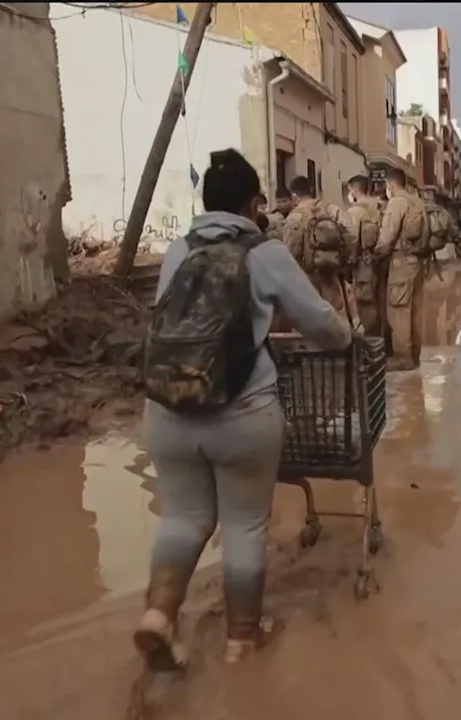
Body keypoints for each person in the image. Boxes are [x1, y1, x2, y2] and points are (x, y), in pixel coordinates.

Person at [136, 148, 352, 668]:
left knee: (184, 519)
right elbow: (319, 324)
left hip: (168, 410)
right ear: (254, 205)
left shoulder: (177, 251)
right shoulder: (265, 253)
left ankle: (158, 616)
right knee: (243, 525)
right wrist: (348, 338)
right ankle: (243, 638)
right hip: (242, 414)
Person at [374, 168, 430, 371]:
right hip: (418, 262)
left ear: (390, 185)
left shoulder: (397, 202)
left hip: (400, 263)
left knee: (398, 310)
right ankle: (414, 356)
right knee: (415, 309)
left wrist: (376, 256)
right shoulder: (417, 201)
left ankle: (402, 357)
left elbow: (387, 236)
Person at [283, 176, 356, 321]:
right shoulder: (331, 209)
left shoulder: (295, 216)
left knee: (311, 318)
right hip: (331, 271)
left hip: (307, 276)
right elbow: (351, 233)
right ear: (311, 190)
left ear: (294, 196)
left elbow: (291, 250)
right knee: (335, 314)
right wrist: (343, 260)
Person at [341, 175, 386, 338]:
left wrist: (347, 262)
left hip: (363, 264)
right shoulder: (382, 206)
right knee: (381, 301)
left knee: (365, 302)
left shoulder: (355, 211)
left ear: (354, 190)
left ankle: (372, 341)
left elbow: (352, 238)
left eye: (349, 191)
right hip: (383, 261)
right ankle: (384, 341)